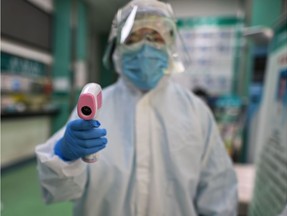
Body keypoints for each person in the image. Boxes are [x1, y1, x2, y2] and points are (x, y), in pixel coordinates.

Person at [35, 0, 238, 215]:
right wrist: (65, 157)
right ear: (117, 49)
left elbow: (218, 193)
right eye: (133, 38)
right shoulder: (96, 105)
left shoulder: (196, 113)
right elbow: (61, 191)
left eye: (154, 38)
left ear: (170, 46)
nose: (144, 47)